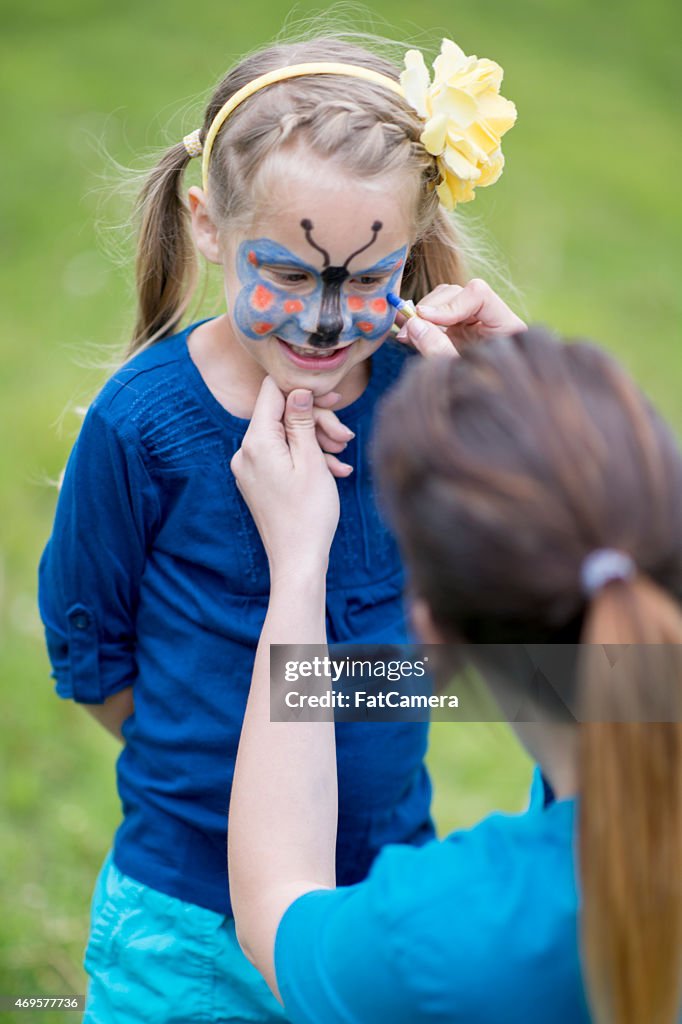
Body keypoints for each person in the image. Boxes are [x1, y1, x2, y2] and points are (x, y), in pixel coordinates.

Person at [37, 31, 522, 1024]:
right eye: (289, 275)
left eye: (363, 275)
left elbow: (496, 633)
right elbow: (93, 661)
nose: (324, 318)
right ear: (210, 225)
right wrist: (201, 751)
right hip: (186, 918)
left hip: (380, 897)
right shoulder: (143, 427)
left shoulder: (430, 398)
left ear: (414, 238)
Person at [229, 322, 682, 1023]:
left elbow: (275, 906)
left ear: (431, 630)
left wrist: (296, 570)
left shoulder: (442, 934)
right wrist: (551, 431)